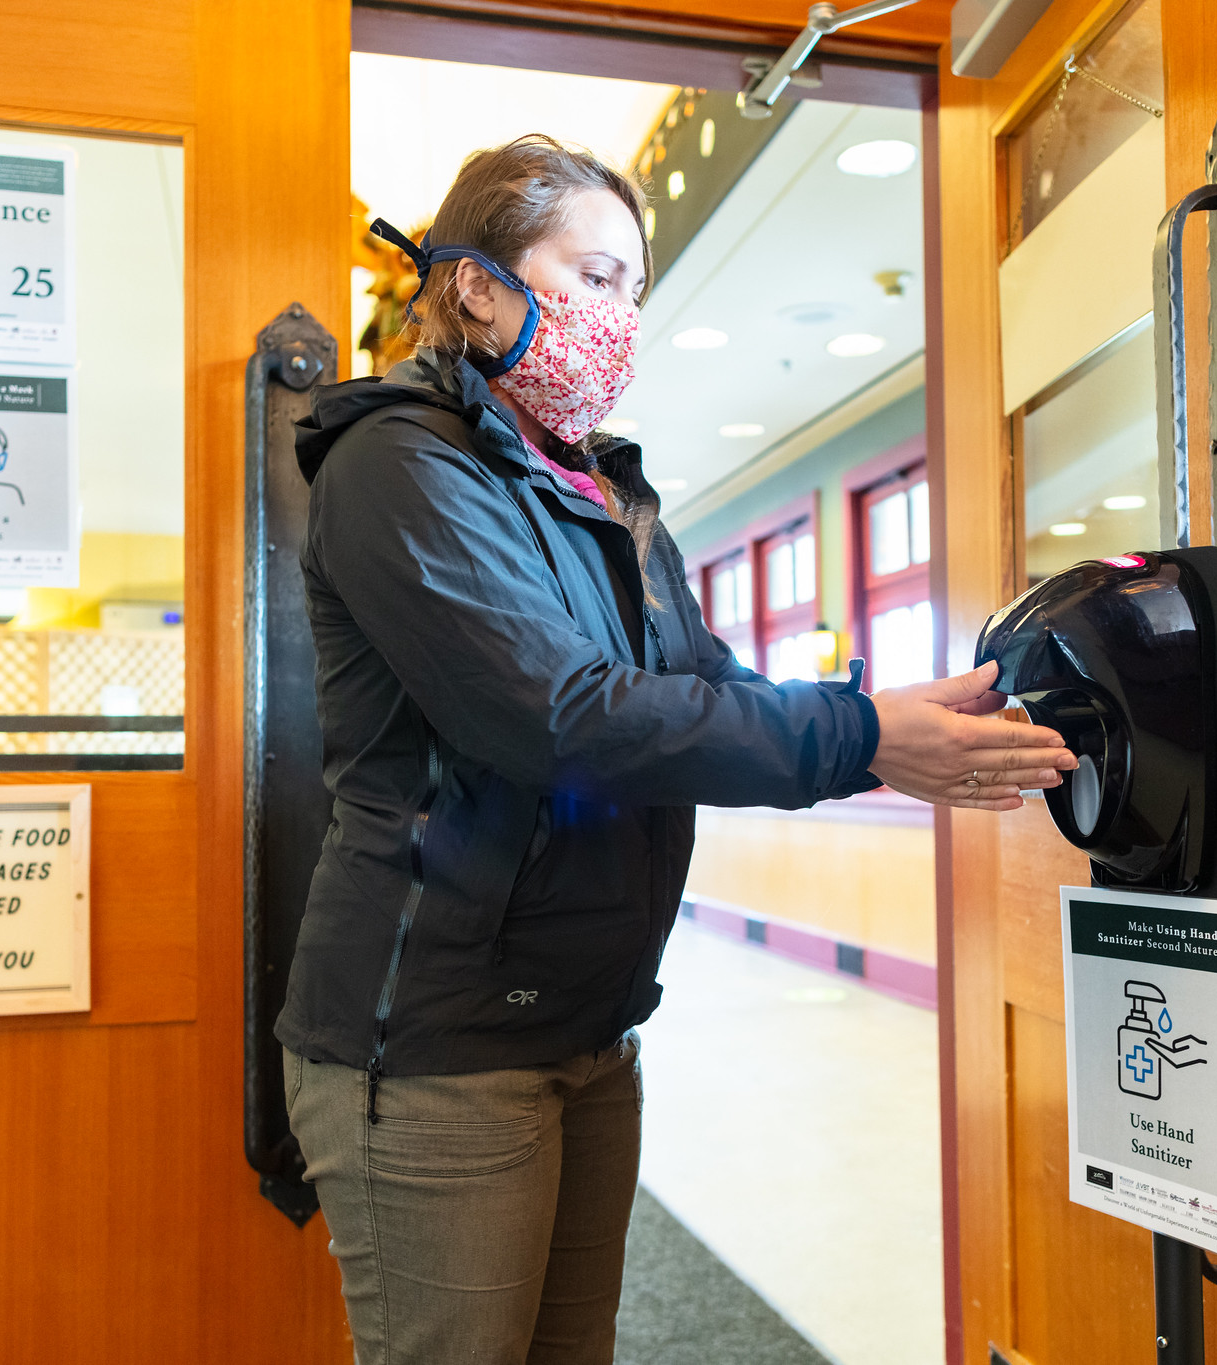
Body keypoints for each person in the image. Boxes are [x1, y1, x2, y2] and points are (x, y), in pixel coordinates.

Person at [278, 134, 1075, 1364]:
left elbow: (703, 688)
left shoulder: (605, 497)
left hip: (590, 1024)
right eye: (593, 278)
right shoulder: (398, 465)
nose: (619, 318)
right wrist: (859, 735)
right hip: (437, 1044)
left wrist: (884, 732)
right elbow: (560, 716)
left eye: (635, 292)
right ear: (477, 285)